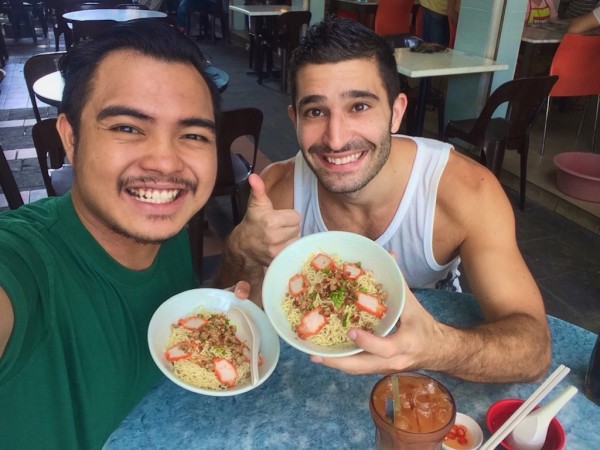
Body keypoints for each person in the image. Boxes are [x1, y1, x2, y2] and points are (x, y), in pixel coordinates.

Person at [215, 16, 551, 384]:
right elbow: (229, 320)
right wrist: (238, 253)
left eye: (359, 106)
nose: (337, 138)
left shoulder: (464, 190)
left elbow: (534, 349)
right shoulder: (278, 191)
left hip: (433, 368)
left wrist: (438, 349)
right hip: (317, 372)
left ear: (396, 112)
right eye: (315, 111)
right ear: (295, 119)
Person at [0, 19, 248, 449]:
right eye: (127, 128)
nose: (165, 163)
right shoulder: (25, 264)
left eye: (192, 134)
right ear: (70, 138)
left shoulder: (163, 233)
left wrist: (240, 258)